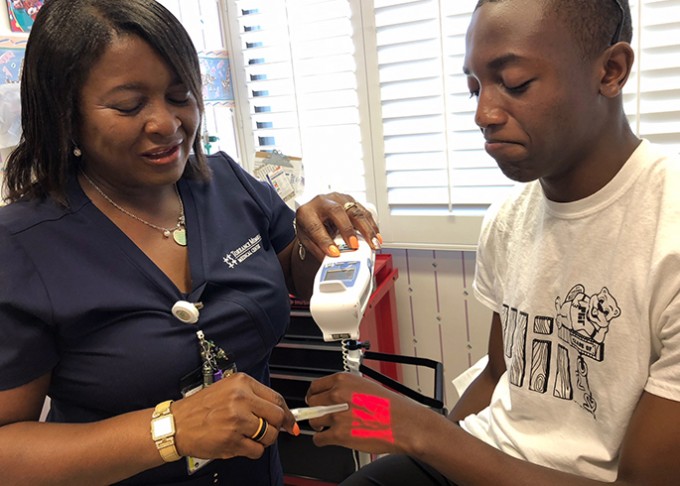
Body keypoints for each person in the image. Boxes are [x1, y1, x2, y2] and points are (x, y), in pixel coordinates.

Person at [0, 1, 381, 485]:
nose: (167, 123)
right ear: (65, 115)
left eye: (180, 95)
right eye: (129, 105)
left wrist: (318, 234)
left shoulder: (225, 183)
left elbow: (299, 276)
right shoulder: (22, 245)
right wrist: (171, 429)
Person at [303, 0, 680, 484]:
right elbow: (500, 374)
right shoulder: (509, 218)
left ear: (610, 71)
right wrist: (393, 429)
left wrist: (423, 433)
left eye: (516, 84)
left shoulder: (666, 229)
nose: (484, 113)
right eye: (474, 88)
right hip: (487, 456)